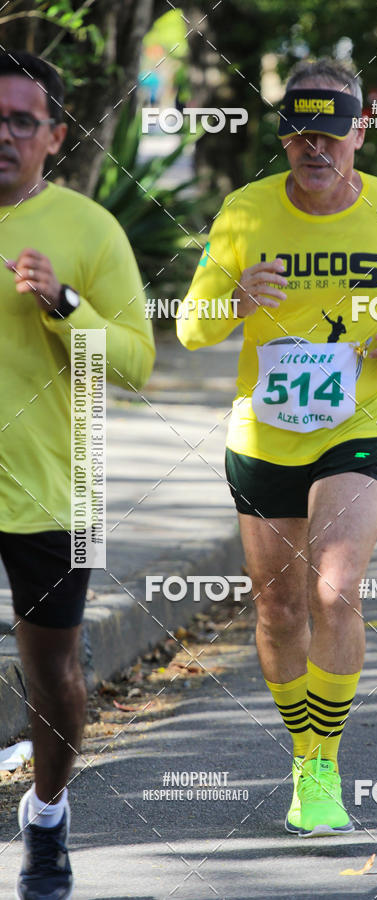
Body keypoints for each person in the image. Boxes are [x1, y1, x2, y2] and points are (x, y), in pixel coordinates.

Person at [177, 57, 377, 838]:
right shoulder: (244, 211)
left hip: (362, 422)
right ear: (283, 137)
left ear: (359, 131)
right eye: (299, 135)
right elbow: (190, 328)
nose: (315, 151)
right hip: (265, 431)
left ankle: (323, 763)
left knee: (334, 586)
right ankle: (302, 749)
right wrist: (235, 300)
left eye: (330, 135)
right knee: (277, 607)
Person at [0, 50, 155, 899]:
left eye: (21, 121)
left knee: (53, 672)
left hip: (63, 491)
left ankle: (48, 815)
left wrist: (65, 308)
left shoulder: (90, 230)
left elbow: (136, 365)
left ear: (54, 136)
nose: (3, 135)